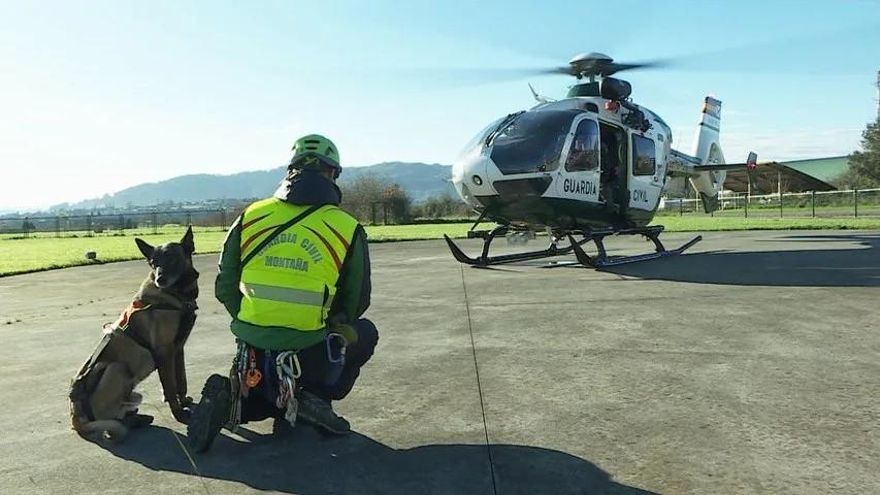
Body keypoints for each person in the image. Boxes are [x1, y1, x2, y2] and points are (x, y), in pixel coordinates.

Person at [187, 134, 377, 452]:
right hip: (310, 343)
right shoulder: (346, 227)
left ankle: (235, 399)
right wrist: (332, 320)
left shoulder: (251, 216)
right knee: (366, 332)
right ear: (332, 174)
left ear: (290, 171)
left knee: (263, 393)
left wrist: (249, 316)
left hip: (252, 338)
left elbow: (224, 283)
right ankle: (314, 399)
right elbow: (358, 298)